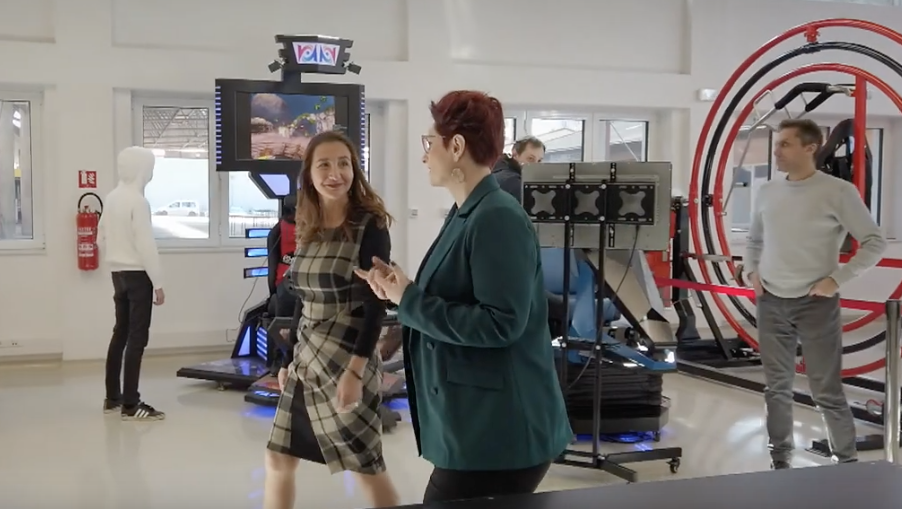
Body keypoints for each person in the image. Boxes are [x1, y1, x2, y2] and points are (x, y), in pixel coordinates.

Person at [357, 90, 572, 504]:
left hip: (503, 432)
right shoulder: (466, 212)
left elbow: (500, 323)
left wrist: (410, 300)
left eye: (428, 143)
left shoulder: (497, 218)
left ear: (456, 146)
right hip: (476, 425)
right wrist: (401, 292)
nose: (424, 156)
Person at [263, 131, 400, 509]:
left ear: (354, 170)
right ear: (309, 173)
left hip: (346, 359)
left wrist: (356, 372)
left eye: (344, 163)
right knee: (278, 458)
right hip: (308, 360)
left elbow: (376, 307)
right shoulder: (307, 221)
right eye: (324, 164)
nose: (335, 173)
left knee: (365, 467)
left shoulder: (370, 226)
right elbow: (300, 301)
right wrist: (289, 360)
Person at [744, 118, 886, 470]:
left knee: (826, 391)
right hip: (771, 301)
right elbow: (754, 240)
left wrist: (837, 280)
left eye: (785, 144)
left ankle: (847, 463)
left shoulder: (838, 192)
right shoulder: (767, 191)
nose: (776, 151)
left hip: (816, 303)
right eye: (777, 144)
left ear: (810, 148)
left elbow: (874, 241)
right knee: (776, 389)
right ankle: (780, 460)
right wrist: (752, 271)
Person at [97, 146, 166, 422]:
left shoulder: (113, 197)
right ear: (141, 169)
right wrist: (158, 283)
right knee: (138, 337)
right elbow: (146, 245)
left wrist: (115, 259)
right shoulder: (138, 202)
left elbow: (100, 235)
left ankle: (112, 398)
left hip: (118, 273)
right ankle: (131, 403)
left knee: (120, 333)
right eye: (150, 166)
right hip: (138, 275)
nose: (152, 171)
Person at [491, 136, 545, 202]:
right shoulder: (513, 181)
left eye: (539, 161)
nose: (535, 166)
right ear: (515, 155)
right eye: (530, 159)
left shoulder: (499, 169)